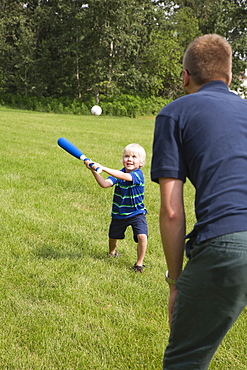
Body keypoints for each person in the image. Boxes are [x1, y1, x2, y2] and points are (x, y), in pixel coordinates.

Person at [151, 33, 247, 369]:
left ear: (185, 76)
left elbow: (172, 211)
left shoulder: (174, 114)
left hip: (228, 244)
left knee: (185, 362)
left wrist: (176, 282)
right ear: (230, 76)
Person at [85, 143, 148, 272]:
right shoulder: (118, 173)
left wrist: (102, 167)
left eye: (134, 157)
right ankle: (112, 253)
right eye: (126, 156)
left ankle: (139, 263)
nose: (129, 159)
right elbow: (104, 184)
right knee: (113, 237)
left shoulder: (137, 175)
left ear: (141, 163)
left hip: (137, 213)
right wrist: (93, 170)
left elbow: (125, 177)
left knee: (142, 236)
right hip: (119, 212)